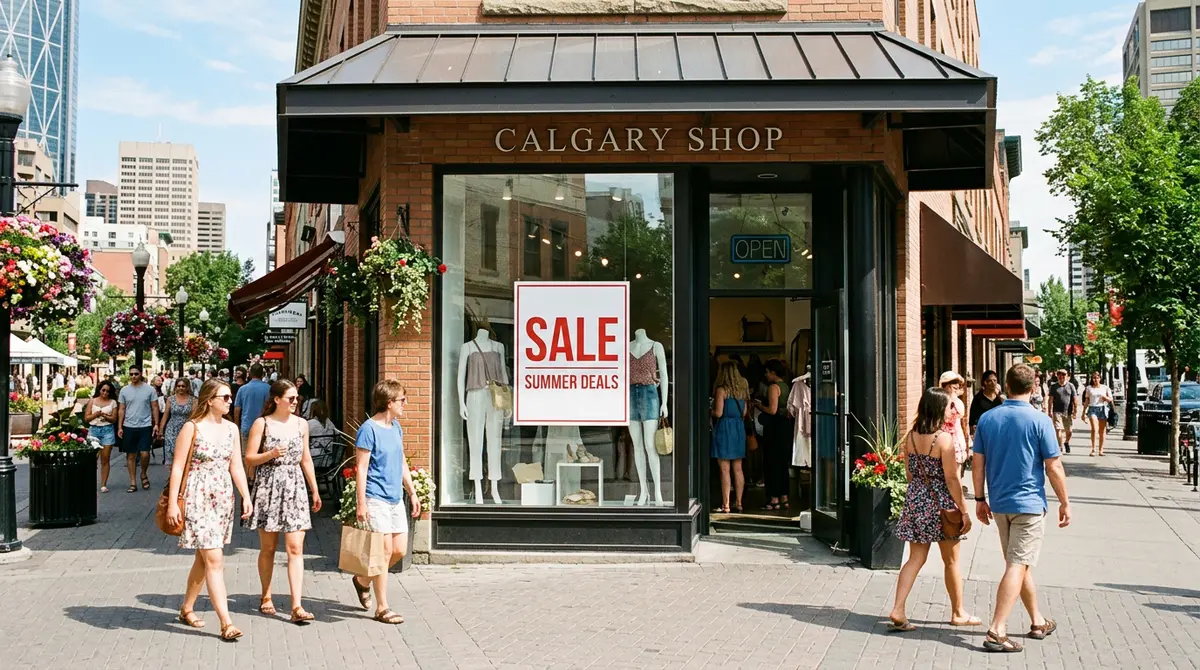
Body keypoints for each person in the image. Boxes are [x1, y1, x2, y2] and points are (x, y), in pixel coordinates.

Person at [972, 364, 1071, 653]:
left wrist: (979, 499)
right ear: (1034, 386)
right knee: (1018, 563)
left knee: (1018, 562)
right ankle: (997, 629)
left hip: (1000, 503)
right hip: (1028, 504)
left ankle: (1038, 620)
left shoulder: (988, 419)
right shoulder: (1040, 421)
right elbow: (1053, 466)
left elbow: (978, 463)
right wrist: (1064, 502)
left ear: (1006, 384)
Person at [166, 378, 253, 641]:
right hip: (197, 496)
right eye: (225, 397)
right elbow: (178, 467)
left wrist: (246, 495)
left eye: (230, 397)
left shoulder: (231, 429)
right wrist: (172, 503)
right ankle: (226, 623)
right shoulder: (191, 428)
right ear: (209, 400)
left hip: (223, 497)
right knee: (214, 559)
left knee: (203, 559)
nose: (230, 401)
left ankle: (187, 607)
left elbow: (236, 465)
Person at [889, 387, 977, 632]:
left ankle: (898, 608)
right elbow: (951, 478)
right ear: (939, 408)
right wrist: (964, 509)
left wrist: (920, 492)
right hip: (942, 503)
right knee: (951, 561)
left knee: (915, 558)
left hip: (917, 499)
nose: (953, 409)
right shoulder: (943, 439)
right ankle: (958, 612)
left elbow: (909, 473)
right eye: (949, 405)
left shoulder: (911, 436)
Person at [244, 380, 322, 624]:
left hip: (295, 485)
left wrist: (314, 489)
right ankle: (266, 595)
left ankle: (296, 605)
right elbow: (249, 458)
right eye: (291, 398)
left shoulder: (301, 424)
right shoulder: (262, 423)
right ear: (276, 399)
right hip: (269, 485)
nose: (295, 402)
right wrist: (270, 454)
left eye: (297, 397)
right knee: (268, 547)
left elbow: (306, 458)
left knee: (295, 548)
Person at [350, 379, 422, 625]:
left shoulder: (396, 428)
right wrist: (362, 504)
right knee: (383, 552)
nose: (405, 404)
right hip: (376, 498)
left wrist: (411, 492)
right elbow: (361, 468)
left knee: (399, 550)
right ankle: (383, 607)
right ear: (389, 402)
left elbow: (401, 461)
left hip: (395, 498)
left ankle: (362, 580)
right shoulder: (368, 429)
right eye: (402, 399)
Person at [752, 359, 792, 511]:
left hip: (775, 428)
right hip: (785, 426)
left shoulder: (773, 387)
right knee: (782, 463)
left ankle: (773, 499)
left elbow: (772, 410)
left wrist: (759, 405)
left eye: (767, 372)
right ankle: (784, 497)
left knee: (771, 463)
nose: (766, 374)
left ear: (773, 372)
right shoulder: (786, 386)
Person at [711, 361, 749, 513]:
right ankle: (739, 503)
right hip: (738, 428)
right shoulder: (742, 391)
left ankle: (726, 504)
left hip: (724, 428)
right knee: (738, 468)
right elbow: (744, 413)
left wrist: (711, 411)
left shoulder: (722, 390)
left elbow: (719, 413)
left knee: (724, 469)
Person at [117, 366, 160, 493]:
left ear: (141, 374)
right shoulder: (124, 390)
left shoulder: (149, 389)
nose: (133, 376)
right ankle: (133, 482)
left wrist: (156, 424)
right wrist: (120, 426)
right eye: (131, 374)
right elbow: (122, 409)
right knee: (130, 455)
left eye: (136, 374)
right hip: (129, 425)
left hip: (145, 425)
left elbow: (155, 407)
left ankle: (143, 473)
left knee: (145, 454)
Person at [85, 381, 119, 493]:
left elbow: (114, 419)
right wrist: (95, 414)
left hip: (107, 430)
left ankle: (103, 484)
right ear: (99, 390)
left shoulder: (113, 402)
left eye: (107, 391)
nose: (105, 393)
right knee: (92, 458)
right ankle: (90, 481)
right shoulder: (92, 401)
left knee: (105, 458)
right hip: (93, 430)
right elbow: (86, 418)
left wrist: (105, 416)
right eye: (103, 390)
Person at [939, 371, 970, 479]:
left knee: (956, 474)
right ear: (945, 385)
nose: (957, 386)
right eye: (953, 383)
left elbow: (961, 416)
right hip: (941, 441)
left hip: (955, 439)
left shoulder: (957, 402)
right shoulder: (939, 401)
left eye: (958, 383)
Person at [158, 378, 195, 466]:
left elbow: (194, 417)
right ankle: (171, 476)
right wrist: (161, 430)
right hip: (172, 429)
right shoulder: (170, 399)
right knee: (171, 453)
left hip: (186, 429)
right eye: (178, 386)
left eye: (183, 386)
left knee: (185, 454)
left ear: (187, 387)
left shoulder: (193, 400)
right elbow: (165, 415)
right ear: (175, 387)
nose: (181, 388)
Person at [234, 364, 272, 447]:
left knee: (245, 454)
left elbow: (237, 410)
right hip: (264, 427)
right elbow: (269, 407)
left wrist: (237, 426)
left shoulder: (242, 389)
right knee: (262, 454)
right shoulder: (268, 388)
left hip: (246, 425)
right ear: (263, 374)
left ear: (250, 373)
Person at [1083, 372, 1114, 457]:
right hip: (1092, 408)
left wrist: (1106, 398)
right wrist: (1083, 412)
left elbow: (1110, 399)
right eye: (1094, 378)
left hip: (1102, 409)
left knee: (1102, 431)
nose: (1095, 379)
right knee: (1094, 429)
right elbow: (1087, 401)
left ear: (1100, 378)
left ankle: (1101, 450)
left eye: (1097, 378)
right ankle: (1093, 449)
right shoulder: (1089, 388)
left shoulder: (1105, 388)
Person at [1048, 370, 1077, 454]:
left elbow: (1074, 399)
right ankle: (1060, 447)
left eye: (1063, 375)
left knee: (1069, 431)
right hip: (1057, 411)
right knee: (1058, 429)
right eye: (1059, 375)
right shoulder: (1054, 387)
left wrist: (1075, 411)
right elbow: (1050, 400)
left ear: (1067, 376)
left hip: (1068, 411)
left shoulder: (1071, 386)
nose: (1061, 376)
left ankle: (1066, 442)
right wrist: (1049, 411)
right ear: (1057, 376)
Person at [969, 370, 1005, 437]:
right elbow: (972, 417)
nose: (993, 383)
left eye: (995, 380)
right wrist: (972, 432)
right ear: (985, 382)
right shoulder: (978, 398)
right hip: (984, 431)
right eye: (990, 381)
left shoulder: (1000, 398)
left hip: (999, 431)